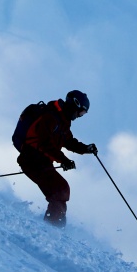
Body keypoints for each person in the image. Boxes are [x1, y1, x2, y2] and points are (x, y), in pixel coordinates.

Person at [12, 89, 96, 224]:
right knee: (60, 189)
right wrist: (63, 160)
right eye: (81, 112)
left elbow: (68, 141)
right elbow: (44, 143)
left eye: (83, 114)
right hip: (32, 158)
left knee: (60, 192)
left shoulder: (63, 122)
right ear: (75, 104)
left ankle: (56, 226)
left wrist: (86, 148)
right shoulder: (50, 117)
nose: (79, 116)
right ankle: (51, 226)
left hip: (41, 162)